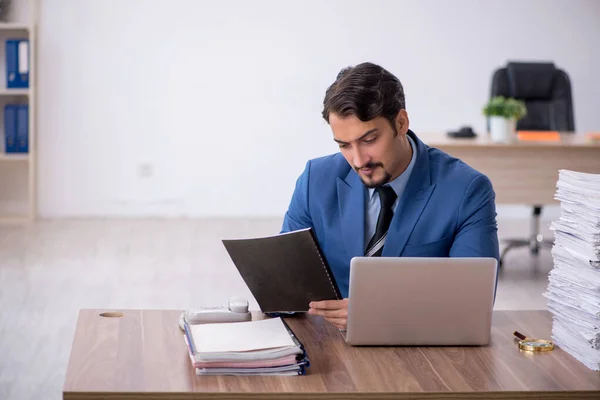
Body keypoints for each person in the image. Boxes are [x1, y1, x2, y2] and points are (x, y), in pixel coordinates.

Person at [280, 62, 500, 331]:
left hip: (423, 352)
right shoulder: (316, 179)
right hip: (334, 346)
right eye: (344, 145)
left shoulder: (466, 190)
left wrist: (377, 314)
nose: (359, 160)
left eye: (369, 139)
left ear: (401, 123)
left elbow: (473, 301)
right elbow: (285, 284)